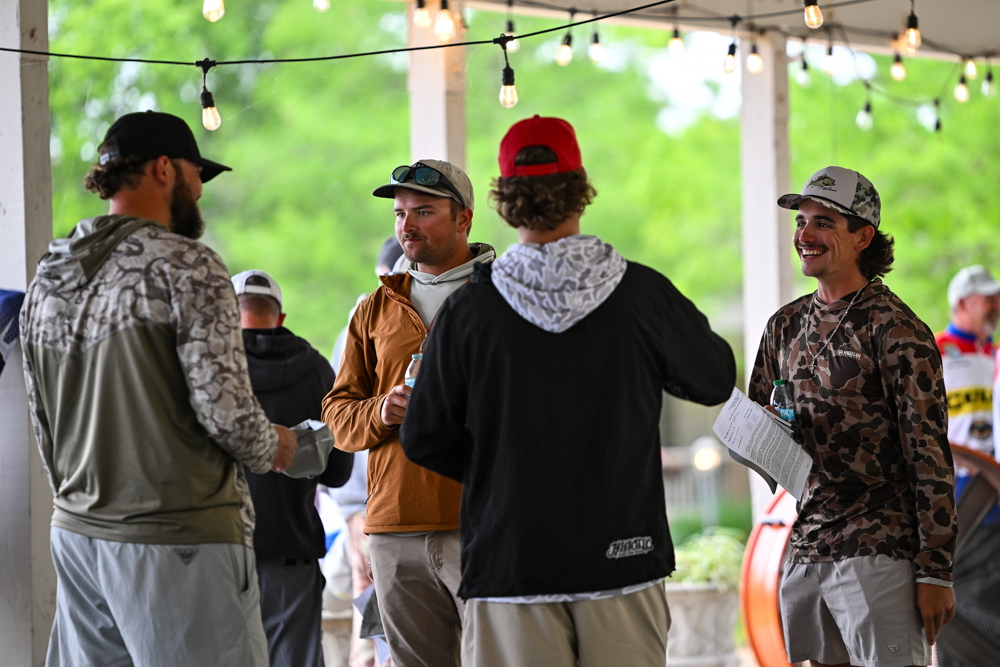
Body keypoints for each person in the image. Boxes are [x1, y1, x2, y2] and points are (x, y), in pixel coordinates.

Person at [400, 115, 737, 667]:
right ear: (581, 190)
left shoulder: (469, 311)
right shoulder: (640, 294)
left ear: (504, 202)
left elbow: (422, 436)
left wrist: (501, 472)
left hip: (511, 558)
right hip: (622, 552)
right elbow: (715, 377)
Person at [19, 110, 298, 667]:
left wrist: (83, 502)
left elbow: (41, 417)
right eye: (197, 174)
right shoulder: (188, 266)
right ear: (165, 169)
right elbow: (228, 415)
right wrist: (278, 446)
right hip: (178, 536)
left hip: (78, 534)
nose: (201, 190)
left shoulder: (50, 274)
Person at [748, 166, 957, 667]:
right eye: (801, 221)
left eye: (823, 223)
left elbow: (929, 455)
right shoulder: (784, 325)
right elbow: (756, 418)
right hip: (806, 547)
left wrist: (935, 571)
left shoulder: (897, 328)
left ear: (863, 237)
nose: (805, 235)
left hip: (879, 550)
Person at [322, 159, 495, 667]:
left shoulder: (504, 297)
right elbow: (338, 416)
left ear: (464, 219)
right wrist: (383, 410)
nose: (407, 225)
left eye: (423, 211)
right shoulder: (373, 308)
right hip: (394, 530)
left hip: (484, 522)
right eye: (400, 214)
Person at [234, 269, 355, 667]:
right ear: (280, 317)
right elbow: (338, 472)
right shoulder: (316, 369)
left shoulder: (213, 370)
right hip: (291, 553)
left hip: (219, 553)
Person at [328, 236, 405, 667]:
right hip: (368, 505)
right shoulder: (362, 324)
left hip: (389, 502)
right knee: (373, 614)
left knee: (382, 615)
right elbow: (340, 419)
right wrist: (352, 506)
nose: (385, 285)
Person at [935, 265, 1000, 456]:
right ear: (962, 304)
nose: (997, 307)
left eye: (998, 299)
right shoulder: (933, 349)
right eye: (989, 300)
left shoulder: (995, 353)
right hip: (951, 466)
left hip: (992, 466)